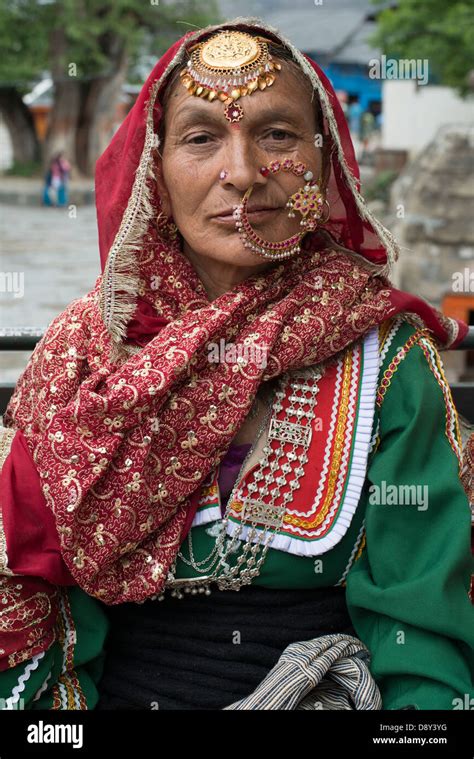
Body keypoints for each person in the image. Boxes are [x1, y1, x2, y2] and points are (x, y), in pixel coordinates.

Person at [0, 19, 473, 711]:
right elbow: (44, 617)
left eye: (278, 134)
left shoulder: (387, 361)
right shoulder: (86, 363)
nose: (244, 173)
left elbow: (421, 638)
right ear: (153, 168)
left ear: (325, 158)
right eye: (200, 138)